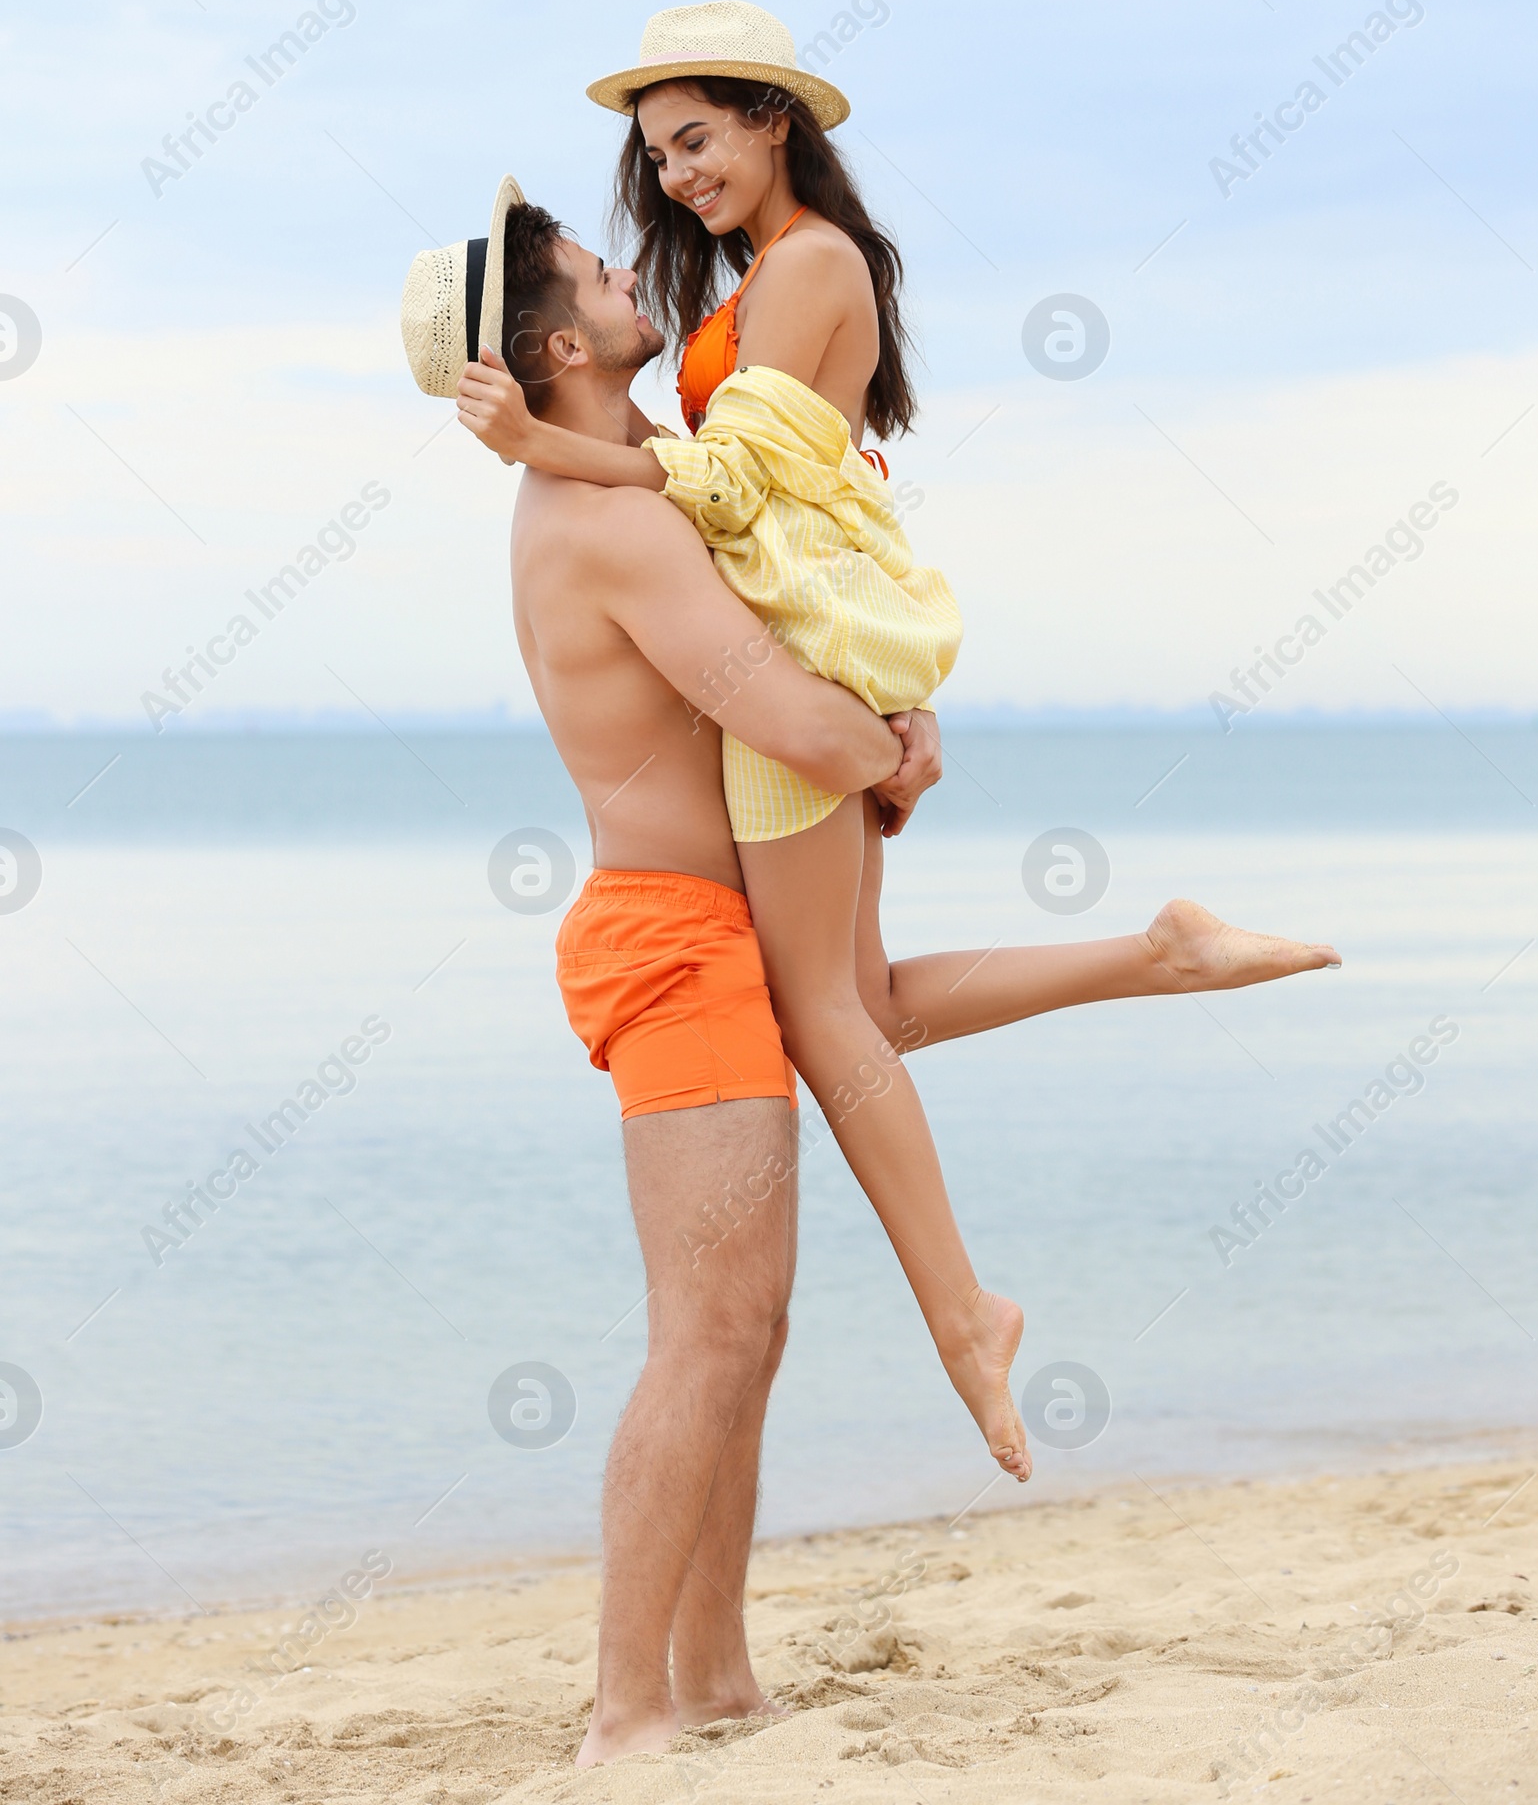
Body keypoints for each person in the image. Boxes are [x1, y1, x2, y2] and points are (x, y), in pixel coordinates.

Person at [420, 184, 1338, 1765]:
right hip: (672, 939)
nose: (635, 264)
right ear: (560, 342)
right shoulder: (613, 523)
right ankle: (625, 1710)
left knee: (748, 1323)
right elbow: (792, 720)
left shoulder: (638, 493)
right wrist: (889, 744)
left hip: (718, 923)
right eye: (594, 268)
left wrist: (877, 745)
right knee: (709, 1328)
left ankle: (710, 1679)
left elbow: (794, 689)